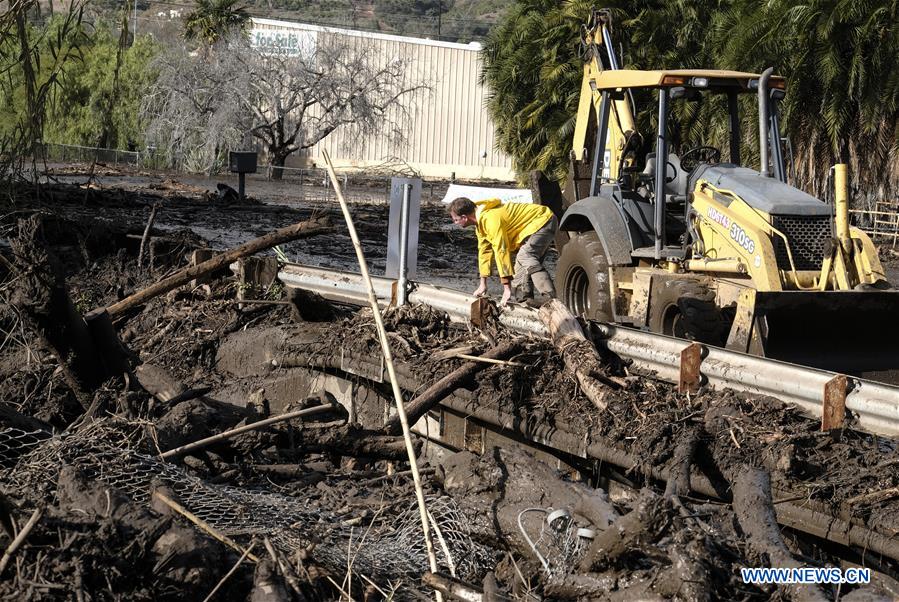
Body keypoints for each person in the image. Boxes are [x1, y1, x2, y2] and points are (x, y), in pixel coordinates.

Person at [448, 196, 558, 305]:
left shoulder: (490, 220)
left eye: (456, 220)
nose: (455, 223)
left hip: (543, 220)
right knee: (519, 270)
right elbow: (484, 253)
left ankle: (549, 296)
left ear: (464, 217)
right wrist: (483, 284)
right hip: (533, 227)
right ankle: (525, 302)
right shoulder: (480, 225)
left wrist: (506, 288)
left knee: (525, 256)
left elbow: (501, 250)